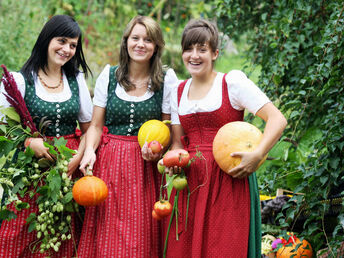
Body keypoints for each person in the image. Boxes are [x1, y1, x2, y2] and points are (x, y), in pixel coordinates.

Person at [165, 19, 287, 257]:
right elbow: (178, 143)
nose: (194, 55)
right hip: (190, 184)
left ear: (215, 53)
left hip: (228, 180)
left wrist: (258, 154)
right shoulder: (177, 91)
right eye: (188, 49)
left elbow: (277, 119)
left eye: (202, 49)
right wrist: (171, 160)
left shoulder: (232, 82)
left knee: (224, 248)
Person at [77, 15, 179, 257]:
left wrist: (157, 152)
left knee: (141, 235)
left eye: (148, 40)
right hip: (109, 165)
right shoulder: (109, 75)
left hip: (146, 170)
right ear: (126, 42)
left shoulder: (166, 80)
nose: (140, 44)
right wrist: (90, 150)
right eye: (135, 38)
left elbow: (167, 129)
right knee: (107, 232)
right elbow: (95, 126)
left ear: (156, 46)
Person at [0, 14, 93, 257]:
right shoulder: (18, 81)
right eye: (61, 41)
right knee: (19, 232)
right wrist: (29, 142)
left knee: (62, 232)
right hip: (29, 172)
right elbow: (4, 130)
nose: (67, 49)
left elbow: (89, 129)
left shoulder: (76, 80)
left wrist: (77, 158)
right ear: (46, 39)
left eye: (73, 45)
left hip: (67, 170)